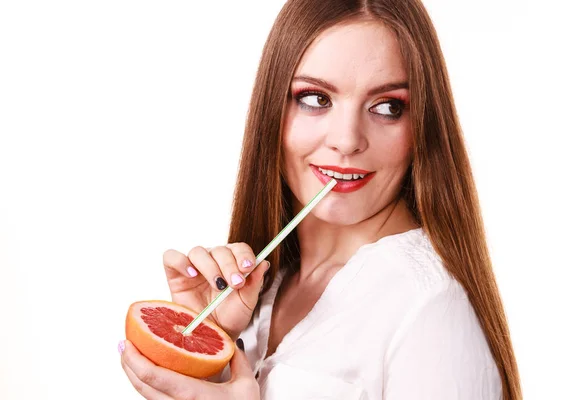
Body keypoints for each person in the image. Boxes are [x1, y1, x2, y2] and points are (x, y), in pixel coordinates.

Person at [119, 0, 522, 398]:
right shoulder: (268, 284)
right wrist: (209, 350)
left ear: (422, 128)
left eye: (387, 106)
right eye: (316, 99)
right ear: (271, 109)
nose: (347, 140)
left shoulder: (430, 308)